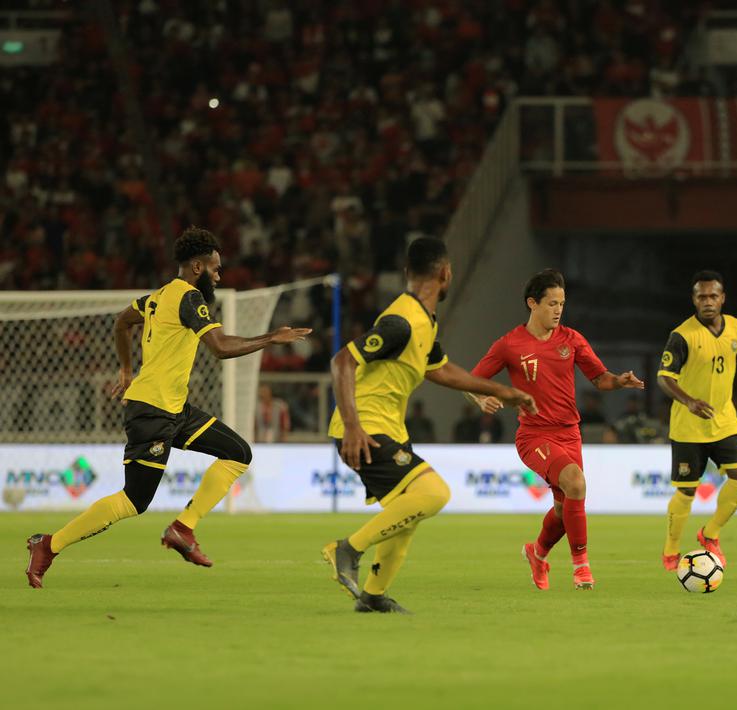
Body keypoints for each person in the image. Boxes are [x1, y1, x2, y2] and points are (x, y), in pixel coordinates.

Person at [25, 227, 312, 588]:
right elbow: (220, 347)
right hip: (152, 411)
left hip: (174, 409)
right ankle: (48, 545)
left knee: (238, 453)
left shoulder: (157, 297)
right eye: (215, 268)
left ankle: (182, 528)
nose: (219, 275)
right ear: (196, 267)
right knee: (133, 500)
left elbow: (122, 322)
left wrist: (127, 369)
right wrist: (271, 338)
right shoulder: (190, 298)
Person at [322, 237, 536, 613]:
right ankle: (347, 549)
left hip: (383, 428)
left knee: (407, 511)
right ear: (445, 273)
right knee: (435, 493)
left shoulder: (424, 321)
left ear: (408, 273)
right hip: (366, 429)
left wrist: (505, 391)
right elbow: (342, 361)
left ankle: (372, 596)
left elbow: (443, 371)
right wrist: (354, 426)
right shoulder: (401, 323)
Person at [470, 268, 644, 590]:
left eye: (562, 303)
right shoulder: (510, 344)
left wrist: (618, 381)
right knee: (576, 482)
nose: (558, 310)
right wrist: (481, 399)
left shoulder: (572, 339)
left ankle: (537, 554)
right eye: (552, 303)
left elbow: (600, 378)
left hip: (569, 432)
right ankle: (582, 567)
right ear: (532, 304)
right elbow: (473, 379)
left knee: (565, 509)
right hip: (534, 435)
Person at [656, 270, 737, 571]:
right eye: (701, 296)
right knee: (687, 491)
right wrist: (689, 401)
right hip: (689, 427)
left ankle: (710, 534)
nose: (708, 301)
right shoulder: (682, 336)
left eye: (713, 296)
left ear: (722, 298)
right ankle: (672, 547)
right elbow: (664, 378)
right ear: (694, 300)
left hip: (724, 421)